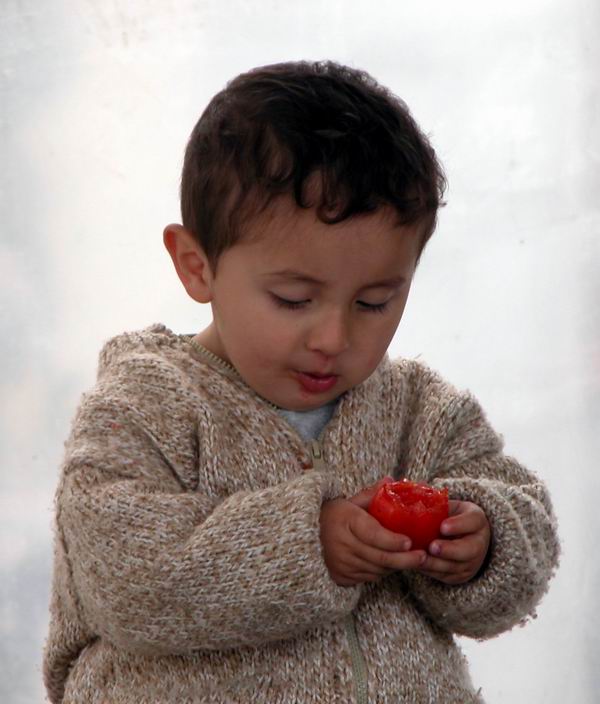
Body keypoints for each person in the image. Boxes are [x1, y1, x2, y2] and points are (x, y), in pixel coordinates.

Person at [43, 60, 560, 703]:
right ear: (196, 266)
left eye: (374, 302)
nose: (333, 339)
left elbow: (526, 526)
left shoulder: (422, 413)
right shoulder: (143, 407)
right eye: (292, 299)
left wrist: (483, 539)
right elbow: (124, 580)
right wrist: (303, 544)